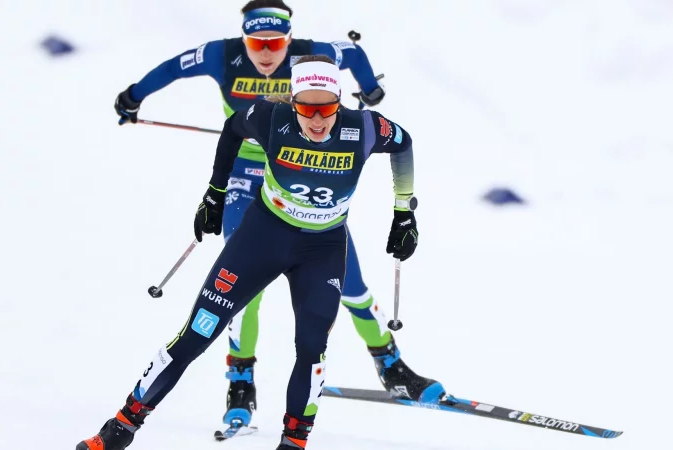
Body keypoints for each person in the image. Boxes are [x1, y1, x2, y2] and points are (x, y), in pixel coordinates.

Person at [79, 55, 445, 450]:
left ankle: (293, 443)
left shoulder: (365, 127)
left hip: (321, 248)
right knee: (198, 331)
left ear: (340, 102)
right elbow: (232, 127)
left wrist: (404, 212)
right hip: (263, 235)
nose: (318, 120)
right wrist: (215, 194)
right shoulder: (272, 118)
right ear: (293, 102)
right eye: (307, 108)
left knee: (311, 347)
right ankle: (119, 428)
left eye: (327, 109)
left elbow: (404, 143)